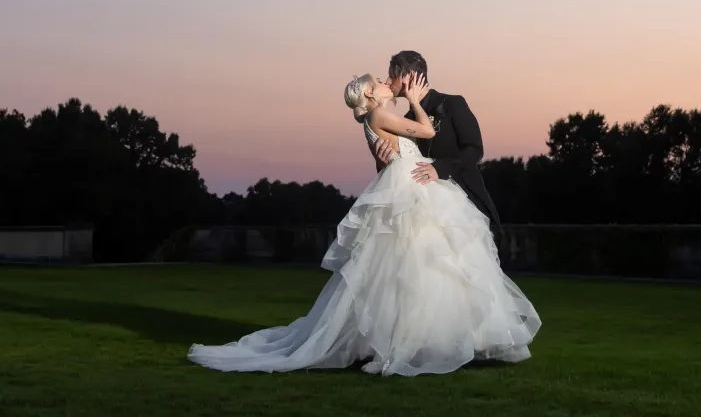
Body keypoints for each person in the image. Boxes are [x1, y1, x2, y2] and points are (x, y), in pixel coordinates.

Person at [186, 68, 540, 376]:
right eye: (380, 82)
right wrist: (416, 100)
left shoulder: (377, 119)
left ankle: (429, 338)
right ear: (371, 94)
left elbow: (401, 150)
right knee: (413, 265)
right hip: (410, 187)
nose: (387, 83)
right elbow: (427, 133)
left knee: (418, 265)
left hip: (411, 183)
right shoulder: (379, 117)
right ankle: (408, 343)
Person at [368, 50, 500, 227]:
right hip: (428, 216)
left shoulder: (453, 103)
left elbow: (474, 150)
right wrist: (382, 163)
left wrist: (440, 168)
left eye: (393, 76)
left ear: (410, 76)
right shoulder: (406, 120)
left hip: (467, 205)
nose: (388, 81)